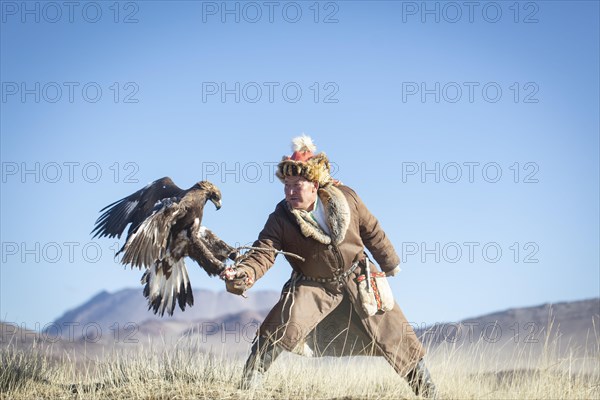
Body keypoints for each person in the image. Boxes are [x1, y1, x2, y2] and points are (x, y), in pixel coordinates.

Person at [221, 135, 438, 398]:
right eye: (286, 185)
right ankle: (248, 385)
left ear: (314, 184)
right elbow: (262, 252)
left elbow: (372, 231)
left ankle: (427, 392)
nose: (289, 192)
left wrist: (389, 262)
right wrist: (244, 274)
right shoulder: (280, 218)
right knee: (281, 325)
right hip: (312, 284)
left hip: (359, 278)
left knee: (394, 333)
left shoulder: (346, 198)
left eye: (296, 185)